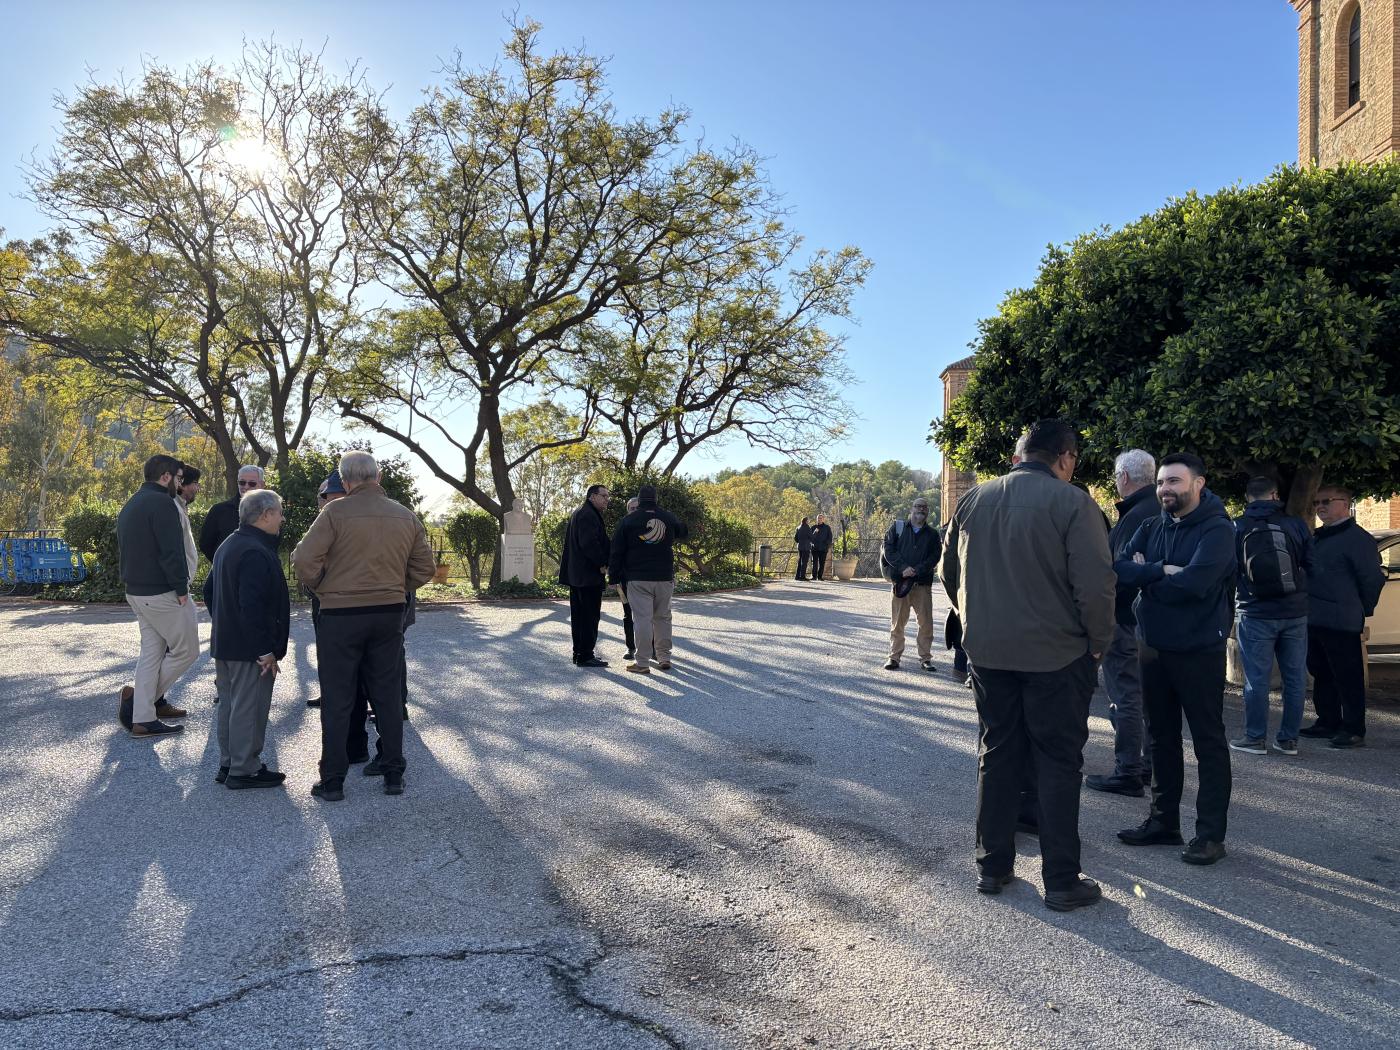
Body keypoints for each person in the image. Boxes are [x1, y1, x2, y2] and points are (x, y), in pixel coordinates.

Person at [941, 419, 1115, 912]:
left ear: (1020, 453)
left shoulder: (975, 499)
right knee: (1059, 761)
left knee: (996, 753)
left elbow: (949, 574)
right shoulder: (1075, 502)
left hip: (990, 653)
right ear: (1065, 457)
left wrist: (974, 621)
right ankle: (1061, 878)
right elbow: (1096, 585)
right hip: (1057, 655)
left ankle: (991, 866)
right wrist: (1097, 643)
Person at [1114, 453, 1236, 866]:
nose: (1166, 489)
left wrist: (1152, 576)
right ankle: (1164, 822)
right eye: (1163, 482)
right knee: (1161, 737)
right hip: (1153, 646)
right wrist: (1162, 571)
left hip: (1199, 649)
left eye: (1175, 482)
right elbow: (1119, 568)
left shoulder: (1219, 530)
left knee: (1208, 741)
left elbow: (1196, 585)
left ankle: (1210, 835)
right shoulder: (1152, 525)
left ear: (1198, 484)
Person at [293, 451, 435, 801]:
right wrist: (398, 587)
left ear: (345, 480)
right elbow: (425, 568)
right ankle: (392, 771)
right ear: (379, 475)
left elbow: (303, 559)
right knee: (386, 693)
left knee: (339, 696)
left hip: (341, 614)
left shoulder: (334, 513)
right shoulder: (405, 515)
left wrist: (323, 587)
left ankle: (334, 780)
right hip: (388, 611)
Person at [1085, 449, 1160, 797]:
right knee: (1141, 695)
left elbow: (1119, 570)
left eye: (1116, 477)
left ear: (1125, 478)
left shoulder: (1136, 515)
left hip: (1126, 618)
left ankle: (1128, 770)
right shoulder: (1157, 509)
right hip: (1147, 620)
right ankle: (1145, 765)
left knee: (1126, 695)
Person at [207, 489, 290, 789]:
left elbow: (209, 591)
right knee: (250, 707)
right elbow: (252, 606)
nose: (282, 517)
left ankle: (229, 763)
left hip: (227, 642)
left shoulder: (229, 544)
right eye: (279, 511)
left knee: (230, 704)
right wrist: (265, 650)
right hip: (249, 649)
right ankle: (244, 769)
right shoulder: (255, 550)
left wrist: (225, 622)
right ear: (266, 514)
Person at [1229, 476, 1314, 757]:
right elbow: (1311, 564)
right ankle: (1288, 740)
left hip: (1254, 612)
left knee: (1257, 678)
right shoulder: (1295, 524)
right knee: (1295, 677)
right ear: (1275, 495)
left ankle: (1255, 738)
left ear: (1248, 498)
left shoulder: (1237, 526)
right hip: (1294, 611)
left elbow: (1229, 570)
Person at [115, 455, 200, 738]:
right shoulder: (163, 503)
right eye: (178, 478)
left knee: (151, 654)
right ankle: (138, 700)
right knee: (187, 650)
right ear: (165, 477)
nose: (180, 483)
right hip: (162, 593)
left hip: (137, 593)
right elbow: (171, 551)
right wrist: (181, 590)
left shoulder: (132, 502)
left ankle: (142, 718)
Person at [1304, 484, 1385, 748]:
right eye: (1316, 503)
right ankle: (1328, 721)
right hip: (1315, 617)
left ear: (1345, 503)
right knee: (1321, 671)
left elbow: (1372, 579)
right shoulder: (1320, 536)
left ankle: (1353, 728)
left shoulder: (1357, 539)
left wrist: (1362, 608)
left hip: (1342, 619)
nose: (1320, 507)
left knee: (1347, 676)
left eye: (1326, 501)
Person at [609, 485, 689, 674]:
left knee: (642, 620)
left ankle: (643, 663)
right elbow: (683, 532)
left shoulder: (628, 521)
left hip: (638, 578)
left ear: (640, 499)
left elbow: (616, 551)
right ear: (656, 498)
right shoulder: (668, 517)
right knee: (663, 618)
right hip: (664, 577)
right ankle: (664, 657)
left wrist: (613, 577)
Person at [881, 497, 942, 672]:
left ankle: (925, 658)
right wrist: (903, 568)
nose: (921, 509)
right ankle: (894, 657)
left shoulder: (932, 534)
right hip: (900, 583)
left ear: (927, 511)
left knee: (925, 623)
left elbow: (935, 556)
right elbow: (888, 549)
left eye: (924, 507)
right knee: (897, 622)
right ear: (912, 508)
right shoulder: (897, 528)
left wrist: (917, 570)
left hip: (922, 583)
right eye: (918, 506)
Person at [305, 470, 348, 710]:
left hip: (342, 601)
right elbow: (304, 561)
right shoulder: (321, 522)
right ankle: (328, 693)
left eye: (329, 496)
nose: (324, 501)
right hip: (321, 600)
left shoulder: (350, 521)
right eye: (322, 496)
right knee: (325, 648)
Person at [559, 484, 612, 667]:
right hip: (587, 576)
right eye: (603, 496)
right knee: (589, 617)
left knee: (580, 617)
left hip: (579, 576)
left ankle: (579, 653)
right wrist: (603, 563)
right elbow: (589, 544)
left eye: (607, 496)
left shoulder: (581, 512)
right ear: (592, 496)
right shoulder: (587, 514)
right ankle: (586, 655)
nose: (607, 499)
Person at [199, 465, 264, 562]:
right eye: (242, 482)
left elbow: (274, 542)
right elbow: (205, 544)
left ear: (262, 485)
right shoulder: (219, 511)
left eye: (252, 483)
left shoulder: (269, 512)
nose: (246, 487)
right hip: (226, 574)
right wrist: (222, 563)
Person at [618, 496, 641, 661]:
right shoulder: (622, 527)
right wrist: (615, 578)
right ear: (627, 511)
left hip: (647, 578)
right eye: (631, 508)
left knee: (650, 615)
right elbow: (616, 553)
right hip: (626, 580)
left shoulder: (651, 526)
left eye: (637, 508)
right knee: (628, 614)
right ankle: (631, 648)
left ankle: (651, 648)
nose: (634, 511)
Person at [810, 515, 833, 581]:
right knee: (814, 563)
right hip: (815, 548)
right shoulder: (813, 527)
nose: (819, 519)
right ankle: (814, 576)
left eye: (821, 518)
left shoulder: (827, 527)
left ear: (823, 519)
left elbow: (830, 537)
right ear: (816, 519)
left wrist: (826, 545)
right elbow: (810, 538)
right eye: (818, 518)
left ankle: (820, 577)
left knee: (822, 563)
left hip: (823, 549)